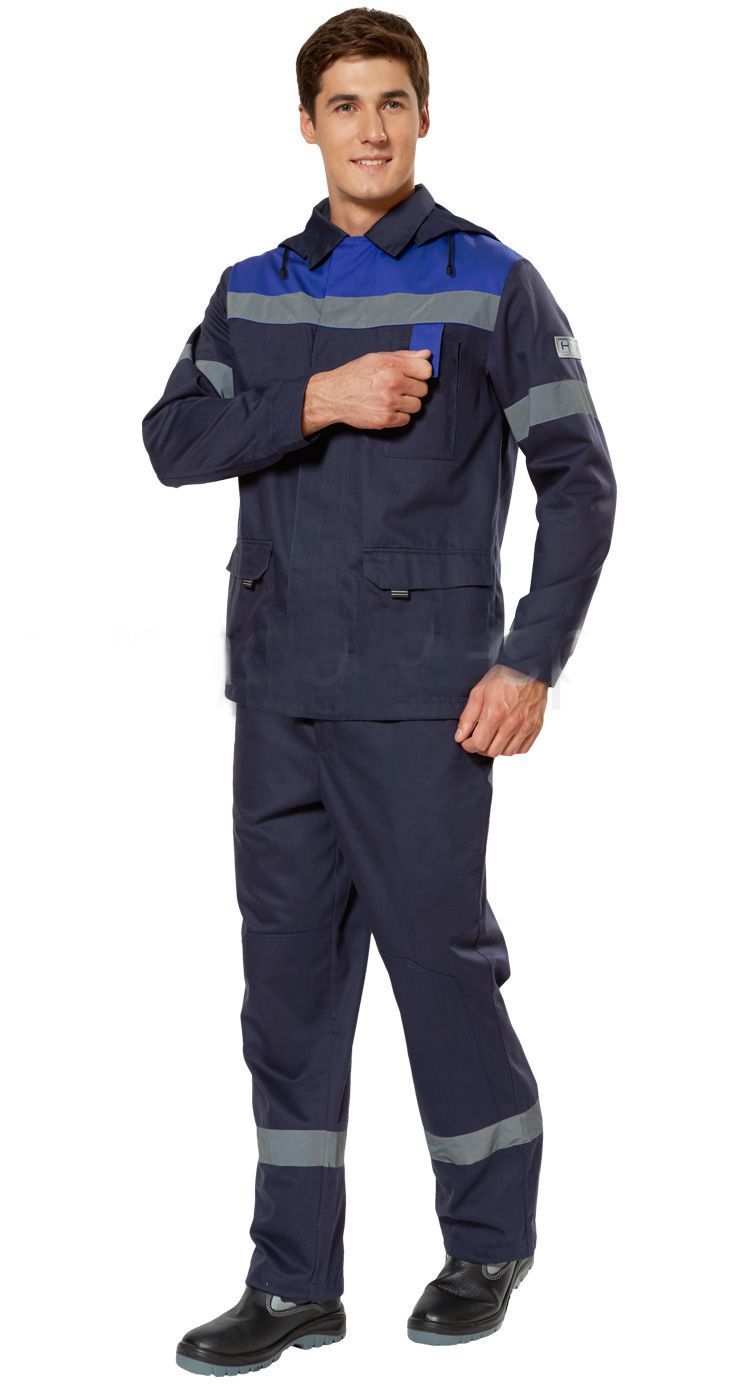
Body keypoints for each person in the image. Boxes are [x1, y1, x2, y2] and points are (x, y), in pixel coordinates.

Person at [141, 6, 616, 1377]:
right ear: (307, 124)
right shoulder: (253, 287)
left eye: (391, 101)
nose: (369, 127)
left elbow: (580, 482)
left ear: (422, 117)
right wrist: (318, 398)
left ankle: (488, 1243)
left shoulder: (490, 280)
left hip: (422, 693)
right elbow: (172, 440)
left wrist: (529, 658)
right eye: (343, 104)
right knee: (285, 993)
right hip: (278, 690)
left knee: (439, 969)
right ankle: (293, 1279)